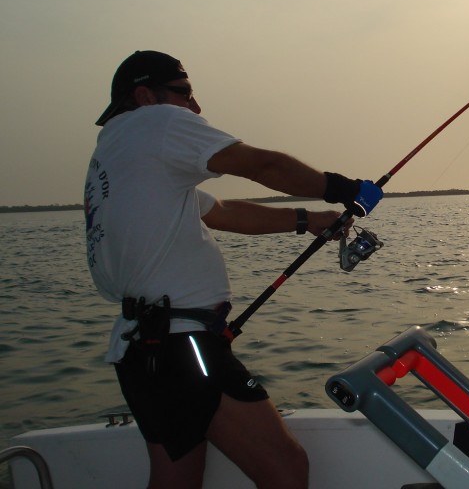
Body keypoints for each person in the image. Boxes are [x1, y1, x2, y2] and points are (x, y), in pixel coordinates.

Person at [83, 50, 382, 489]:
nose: (195, 108)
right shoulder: (156, 123)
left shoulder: (116, 151)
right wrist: (344, 189)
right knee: (286, 470)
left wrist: (307, 220)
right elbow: (264, 166)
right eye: (185, 93)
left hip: (143, 350)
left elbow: (219, 212)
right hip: (183, 347)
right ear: (145, 96)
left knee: (177, 481)